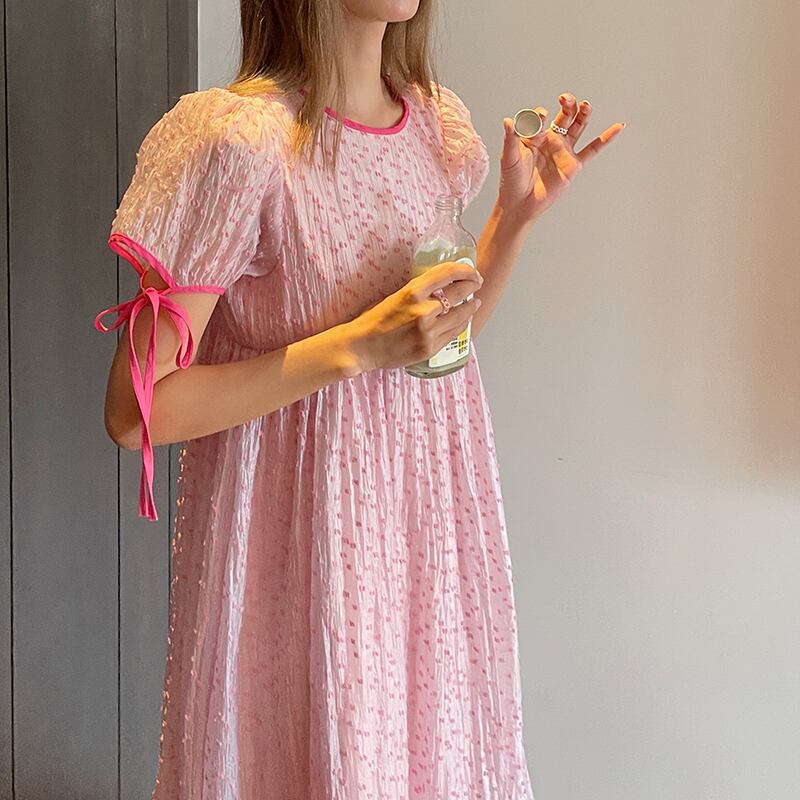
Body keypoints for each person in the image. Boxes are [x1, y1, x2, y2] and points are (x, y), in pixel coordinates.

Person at [93, 0, 625, 796]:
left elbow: (436, 347)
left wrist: (511, 223)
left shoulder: (433, 129)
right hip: (298, 545)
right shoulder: (239, 143)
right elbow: (138, 411)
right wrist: (356, 346)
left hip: (421, 531)